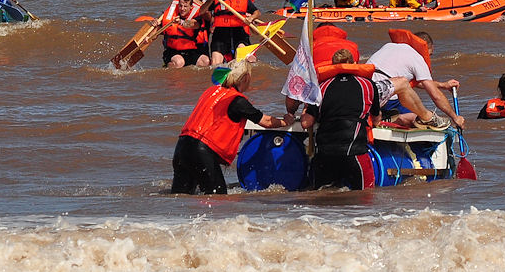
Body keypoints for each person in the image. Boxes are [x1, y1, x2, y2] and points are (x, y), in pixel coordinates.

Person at [170, 61, 294, 194]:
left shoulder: (211, 91)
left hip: (182, 147)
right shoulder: (238, 100)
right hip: (201, 151)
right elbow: (266, 121)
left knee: (181, 196)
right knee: (217, 197)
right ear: (245, 78)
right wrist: (285, 121)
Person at [300, 48, 381, 190]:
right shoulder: (367, 85)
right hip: (355, 151)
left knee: (321, 199)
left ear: (332, 66)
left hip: (325, 153)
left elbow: (306, 123)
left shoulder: (321, 87)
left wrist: (305, 109)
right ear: (355, 63)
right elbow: (376, 119)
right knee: (365, 197)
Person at [365, 29, 463, 128]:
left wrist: (443, 85)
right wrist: (455, 117)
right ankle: (395, 120)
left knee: (406, 96)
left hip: (365, 90)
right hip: (382, 98)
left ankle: (389, 117)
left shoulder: (389, 46)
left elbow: (417, 82)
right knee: (419, 119)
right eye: (430, 54)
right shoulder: (417, 57)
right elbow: (435, 96)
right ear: (427, 47)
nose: (428, 58)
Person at [208, 0, 260, 67]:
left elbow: (257, 12)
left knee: (242, 59)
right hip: (221, 34)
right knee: (215, 63)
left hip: (239, 34)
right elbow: (202, 11)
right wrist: (210, 0)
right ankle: (218, 81)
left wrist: (251, 18)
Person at [162, 0, 210, 68]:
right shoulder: (171, 15)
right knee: (179, 62)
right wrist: (155, 24)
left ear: (191, 7)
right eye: (180, 6)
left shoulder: (196, 16)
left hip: (190, 51)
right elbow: (159, 28)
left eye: (185, 6)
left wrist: (180, 22)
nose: (182, 9)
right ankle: (167, 67)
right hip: (173, 51)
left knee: (205, 61)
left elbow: (193, 25)